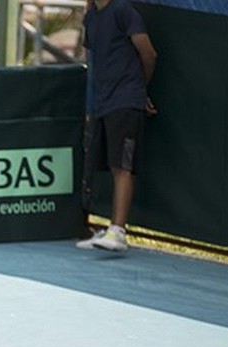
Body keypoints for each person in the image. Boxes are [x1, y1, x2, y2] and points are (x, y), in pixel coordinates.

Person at [76, 0, 157, 251]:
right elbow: (92, 58)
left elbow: (149, 54)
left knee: (122, 167)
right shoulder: (91, 17)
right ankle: (111, 229)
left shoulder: (124, 12)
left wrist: (138, 89)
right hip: (103, 103)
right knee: (113, 166)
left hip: (126, 101)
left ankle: (118, 231)